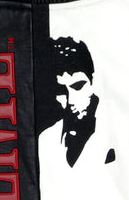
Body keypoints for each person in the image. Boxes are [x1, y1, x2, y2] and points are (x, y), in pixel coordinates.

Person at [40, 36, 115, 166]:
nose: (71, 100)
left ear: (94, 81)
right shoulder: (46, 141)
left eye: (78, 87)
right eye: (61, 92)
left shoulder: (118, 133)